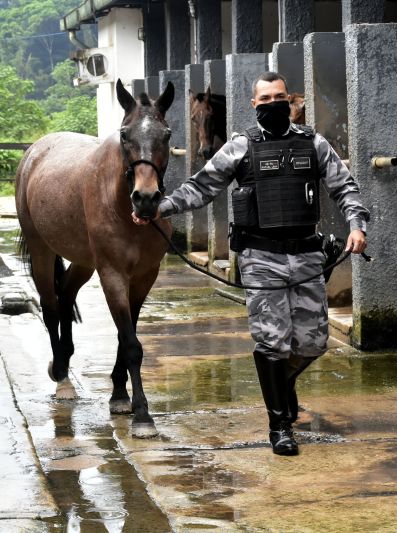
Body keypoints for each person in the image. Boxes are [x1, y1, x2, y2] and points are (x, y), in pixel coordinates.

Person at [134, 71, 370, 455]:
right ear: (254, 104)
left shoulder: (313, 143)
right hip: (261, 258)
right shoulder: (241, 146)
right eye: (265, 99)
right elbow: (201, 186)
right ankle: (279, 425)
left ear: (289, 101)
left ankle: (282, 385)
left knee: (313, 342)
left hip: (307, 255)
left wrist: (357, 225)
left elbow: (344, 186)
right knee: (272, 342)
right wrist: (160, 207)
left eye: (280, 97)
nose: (274, 104)